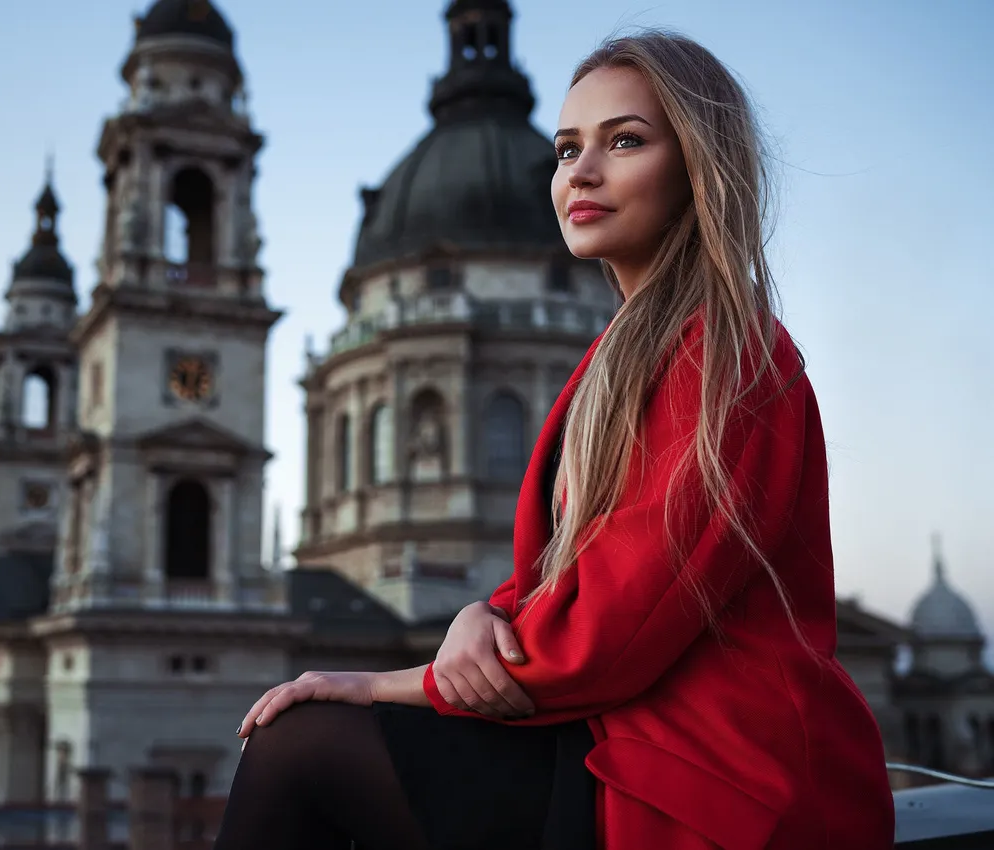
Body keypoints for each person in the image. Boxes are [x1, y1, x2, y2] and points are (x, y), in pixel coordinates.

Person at [213, 29, 896, 850]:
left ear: (699, 168)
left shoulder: (725, 349)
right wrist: (485, 610)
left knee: (303, 744)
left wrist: (385, 683)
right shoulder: (630, 350)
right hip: (626, 734)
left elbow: (615, 627)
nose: (580, 170)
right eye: (568, 149)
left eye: (626, 141)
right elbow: (581, 572)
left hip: (712, 773)